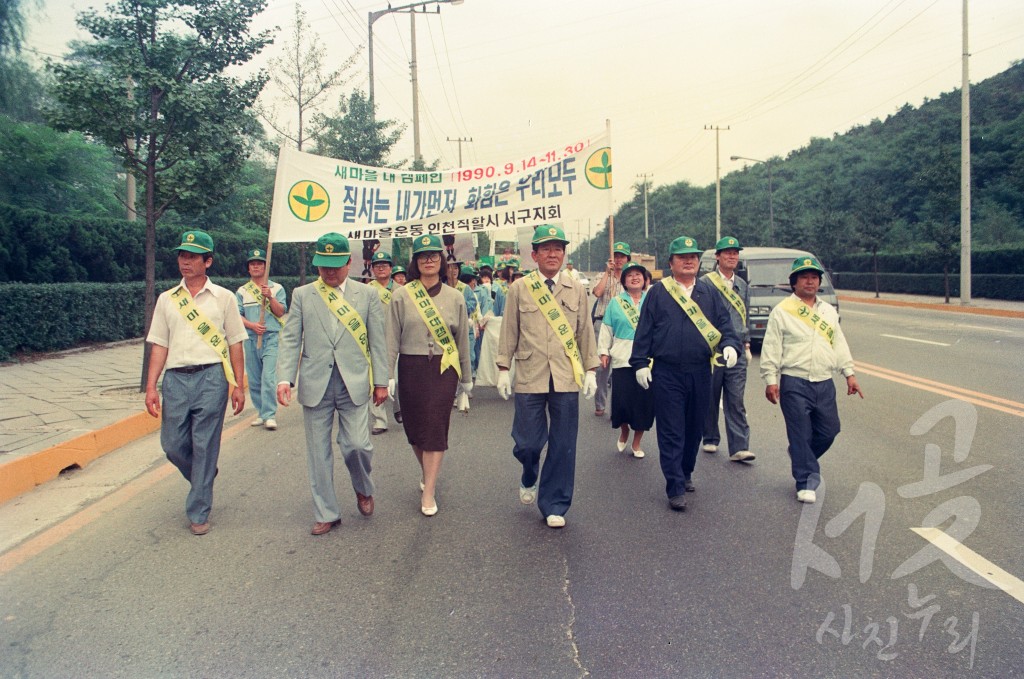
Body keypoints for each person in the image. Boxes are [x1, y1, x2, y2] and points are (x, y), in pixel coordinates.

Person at [276, 233, 389, 536]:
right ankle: (327, 512)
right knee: (317, 451)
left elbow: (378, 342)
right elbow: (290, 338)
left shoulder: (367, 296)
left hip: (353, 381)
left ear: (349, 262)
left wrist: (381, 382)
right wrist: (285, 378)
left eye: (335, 266)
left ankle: (363, 488)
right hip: (316, 383)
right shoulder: (302, 294)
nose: (328, 272)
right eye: (323, 266)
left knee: (357, 446)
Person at [144, 230, 247, 536]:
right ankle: (202, 477)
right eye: (182, 255)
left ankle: (198, 509)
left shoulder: (224, 299)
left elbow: (236, 343)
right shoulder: (167, 299)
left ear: (208, 261)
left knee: (204, 444)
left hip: (212, 378)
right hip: (175, 379)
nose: (185, 262)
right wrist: (151, 385)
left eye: (192, 256)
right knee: (173, 445)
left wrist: (237, 384)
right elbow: (159, 344)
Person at [496, 224, 599, 529]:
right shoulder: (520, 288)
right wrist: (503, 368)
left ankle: (554, 502)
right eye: (546, 249)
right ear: (534, 255)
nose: (553, 254)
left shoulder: (576, 288)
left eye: (558, 249)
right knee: (528, 442)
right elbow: (509, 330)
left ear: (564, 254)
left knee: (564, 442)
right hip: (530, 373)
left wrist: (591, 370)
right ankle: (530, 471)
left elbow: (584, 332)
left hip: (566, 375)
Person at [630, 235, 741, 512]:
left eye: (693, 257)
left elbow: (725, 326)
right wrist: (640, 362)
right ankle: (675, 486)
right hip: (667, 373)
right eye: (682, 257)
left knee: (694, 429)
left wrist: (730, 345)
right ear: (671, 263)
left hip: (701, 371)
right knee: (671, 430)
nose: (689, 261)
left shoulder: (708, 292)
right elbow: (644, 330)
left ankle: (686, 470)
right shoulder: (658, 293)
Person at [760, 256, 864, 504]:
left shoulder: (828, 311)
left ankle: (800, 455)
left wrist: (849, 374)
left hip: (824, 382)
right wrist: (770, 379)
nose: (810, 281)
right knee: (801, 433)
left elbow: (838, 343)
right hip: (794, 382)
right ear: (794, 282)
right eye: (804, 277)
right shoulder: (782, 311)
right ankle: (806, 480)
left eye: (814, 277)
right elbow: (772, 347)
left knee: (830, 430)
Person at [386, 235, 472, 516]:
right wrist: (386, 375)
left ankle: (430, 490)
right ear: (415, 262)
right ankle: (427, 471)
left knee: (435, 427)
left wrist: (466, 383)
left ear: (442, 260)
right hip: (410, 368)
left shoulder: (456, 297)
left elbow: (462, 343)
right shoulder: (401, 295)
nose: (428, 260)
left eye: (434, 255)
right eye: (423, 256)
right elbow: (390, 338)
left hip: (443, 370)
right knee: (414, 430)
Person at [701, 236, 755, 462]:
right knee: (711, 395)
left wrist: (747, 343)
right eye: (727, 253)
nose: (732, 256)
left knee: (735, 398)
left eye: (735, 253)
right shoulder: (705, 283)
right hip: (713, 349)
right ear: (718, 257)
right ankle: (710, 437)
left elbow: (746, 316)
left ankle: (740, 446)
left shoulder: (742, 285)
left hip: (738, 350)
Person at [598, 262, 654, 459]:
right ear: (624, 281)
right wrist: (604, 352)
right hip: (622, 358)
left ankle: (637, 442)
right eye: (630, 275)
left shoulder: (652, 300)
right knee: (622, 402)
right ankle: (624, 431)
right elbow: (607, 329)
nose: (634, 278)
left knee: (643, 404)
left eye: (638, 274)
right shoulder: (616, 303)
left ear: (645, 279)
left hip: (648, 361)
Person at [236, 247, 288, 431]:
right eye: (253, 264)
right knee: (255, 379)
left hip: (271, 338)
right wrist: (252, 326)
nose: (256, 267)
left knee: (268, 377)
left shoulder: (277, 288)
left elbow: (281, 312)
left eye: (259, 264)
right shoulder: (242, 291)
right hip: (251, 339)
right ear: (249, 268)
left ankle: (270, 415)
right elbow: (237, 316)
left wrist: (270, 297)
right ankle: (261, 412)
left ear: (265, 267)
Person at [590, 241, 631, 417]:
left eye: (622, 256)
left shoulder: (630, 278)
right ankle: (600, 403)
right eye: (616, 256)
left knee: (621, 368)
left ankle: (618, 406)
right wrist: (608, 273)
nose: (619, 259)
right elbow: (597, 293)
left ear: (628, 258)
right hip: (602, 324)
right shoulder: (602, 275)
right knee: (602, 367)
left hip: (623, 327)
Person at [368, 250, 395, 435]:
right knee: (375, 380)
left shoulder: (402, 291)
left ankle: (399, 407)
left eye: (384, 265)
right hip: (373, 341)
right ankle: (379, 420)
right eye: (377, 265)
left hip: (397, 341)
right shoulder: (366, 290)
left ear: (391, 268)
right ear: (372, 269)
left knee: (398, 381)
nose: (381, 268)